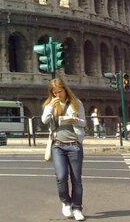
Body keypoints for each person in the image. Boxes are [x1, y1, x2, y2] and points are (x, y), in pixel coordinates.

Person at [42, 78, 87, 221]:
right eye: (54, 92)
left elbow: (84, 122)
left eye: (59, 91)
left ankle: (77, 208)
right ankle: (66, 202)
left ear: (65, 90)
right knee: (61, 177)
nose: (57, 95)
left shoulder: (76, 103)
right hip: (58, 145)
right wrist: (50, 107)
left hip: (74, 145)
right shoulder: (50, 105)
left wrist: (75, 121)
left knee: (76, 179)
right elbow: (44, 120)